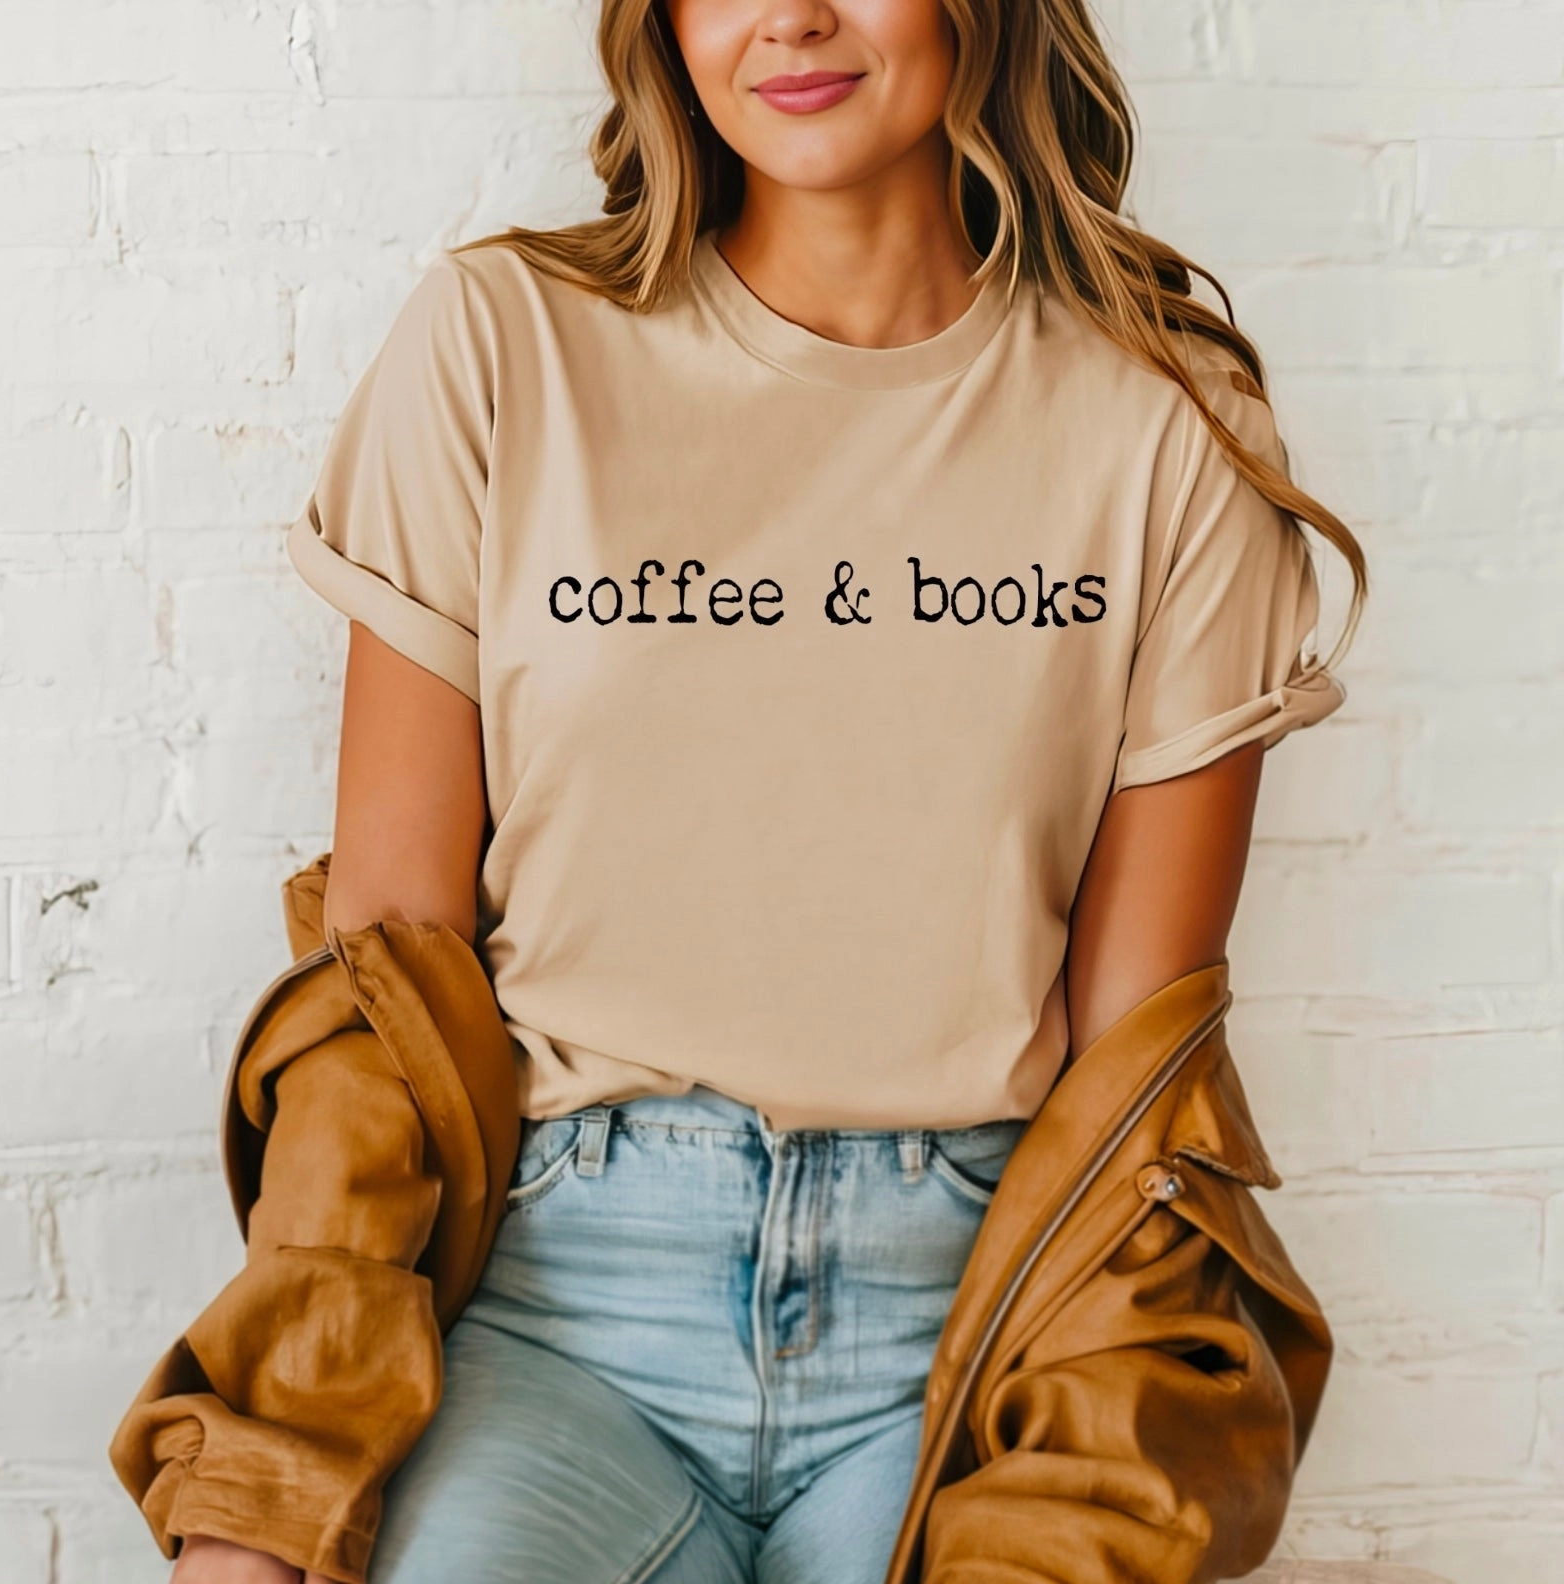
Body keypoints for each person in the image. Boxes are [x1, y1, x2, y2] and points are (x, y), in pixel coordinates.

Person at [173, 0, 1366, 1579]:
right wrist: (269, 1469)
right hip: (555, 1313)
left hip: (968, 1326)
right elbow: (387, 981)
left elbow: (1132, 1085)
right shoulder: (502, 343)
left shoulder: (1170, 417)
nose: (791, 17)